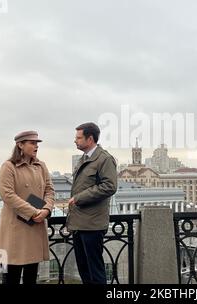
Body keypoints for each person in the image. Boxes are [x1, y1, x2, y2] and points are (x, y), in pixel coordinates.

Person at [0, 130, 55, 284]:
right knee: (11, 276)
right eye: (32, 143)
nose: (36, 146)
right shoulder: (8, 166)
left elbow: (49, 190)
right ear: (20, 145)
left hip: (35, 226)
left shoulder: (41, 166)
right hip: (14, 229)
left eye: (37, 143)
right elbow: (8, 195)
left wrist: (46, 210)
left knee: (31, 276)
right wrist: (34, 212)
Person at [66, 122, 117, 284]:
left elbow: (109, 186)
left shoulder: (104, 159)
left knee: (95, 272)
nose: (75, 141)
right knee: (84, 270)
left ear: (90, 139)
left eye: (78, 138)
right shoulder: (85, 158)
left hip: (92, 225)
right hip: (80, 224)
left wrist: (79, 198)